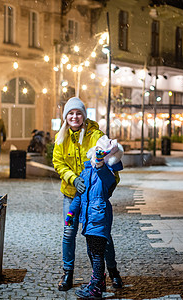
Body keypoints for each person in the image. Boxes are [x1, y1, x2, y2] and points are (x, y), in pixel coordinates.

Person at [52, 97, 122, 292]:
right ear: (66, 117)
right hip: (71, 194)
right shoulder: (61, 136)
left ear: (84, 115)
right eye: (71, 113)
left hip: (92, 199)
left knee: (101, 235)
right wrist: (73, 179)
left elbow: (111, 159)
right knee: (69, 231)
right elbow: (58, 162)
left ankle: (113, 272)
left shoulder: (95, 135)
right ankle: (68, 272)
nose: (75, 116)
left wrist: (109, 186)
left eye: (78, 113)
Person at [65, 136, 124, 299]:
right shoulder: (86, 170)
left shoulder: (107, 173)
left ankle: (96, 288)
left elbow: (108, 179)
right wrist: (71, 213)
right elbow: (79, 196)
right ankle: (98, 282)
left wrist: (100, 164)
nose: (96, 157)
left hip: (99, 219)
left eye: (101, 155)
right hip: (88, 220)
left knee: (97, 254)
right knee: (92, 253)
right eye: (96, 153)